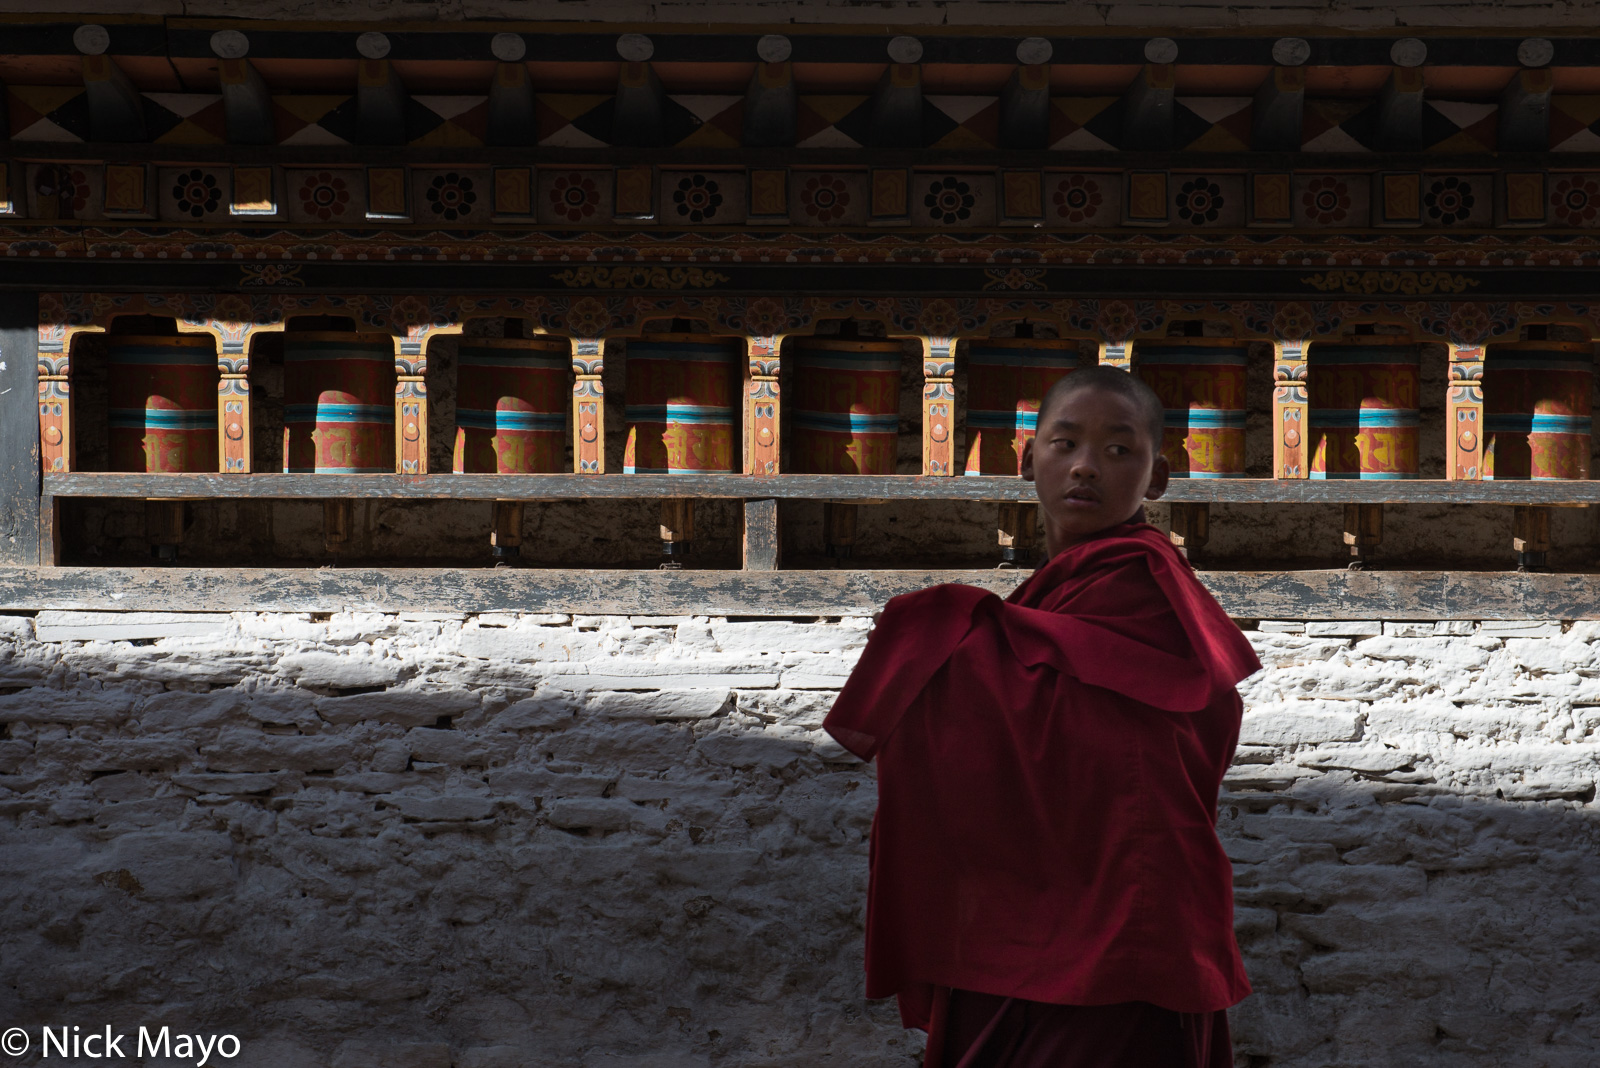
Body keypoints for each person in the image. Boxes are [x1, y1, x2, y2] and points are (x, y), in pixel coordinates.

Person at [823, 366, 1261, 1068]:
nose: (1086, 467)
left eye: (1120, 450)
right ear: (1026, 459)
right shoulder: (1043, 602)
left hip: (1123, 936)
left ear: (1158, 478)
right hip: (1023, 924)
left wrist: (943, 629)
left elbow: (1134, 750)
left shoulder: (1146, 590)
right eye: (1065, 444)